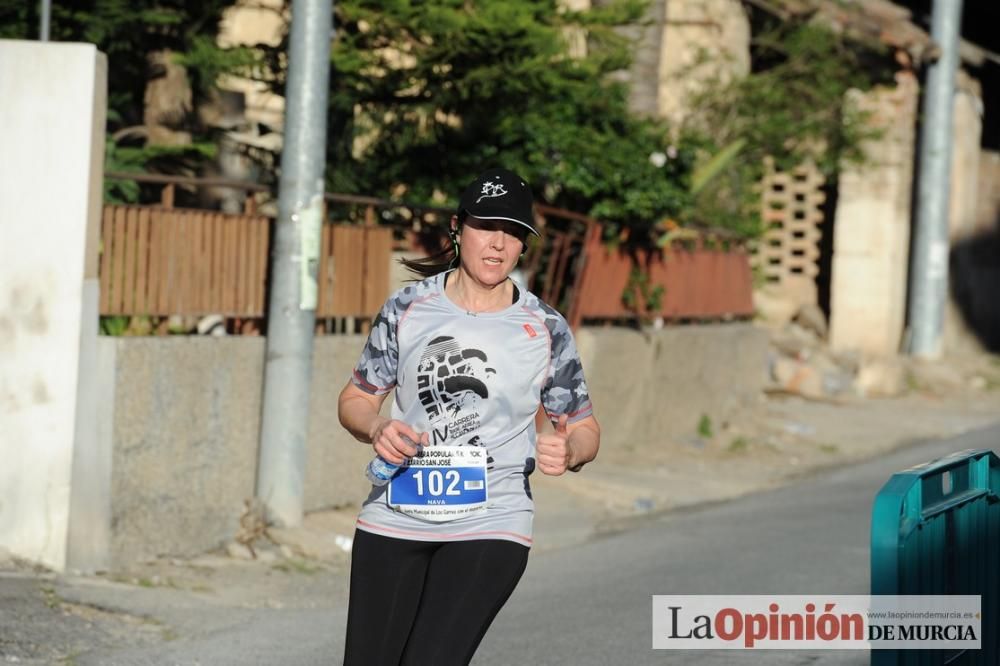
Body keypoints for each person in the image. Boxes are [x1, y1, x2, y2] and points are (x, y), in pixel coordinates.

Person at [338, 167, 600, 666]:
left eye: (514, 234)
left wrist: (570, 451)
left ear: (524, 245)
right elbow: (355, 398)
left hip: (493, 517)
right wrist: (375, 426)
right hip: (398, 508)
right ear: (458, 229)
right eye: (486, 228)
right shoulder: (408, 307)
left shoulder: (544, 326)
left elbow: (584, 427)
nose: (498, 245)